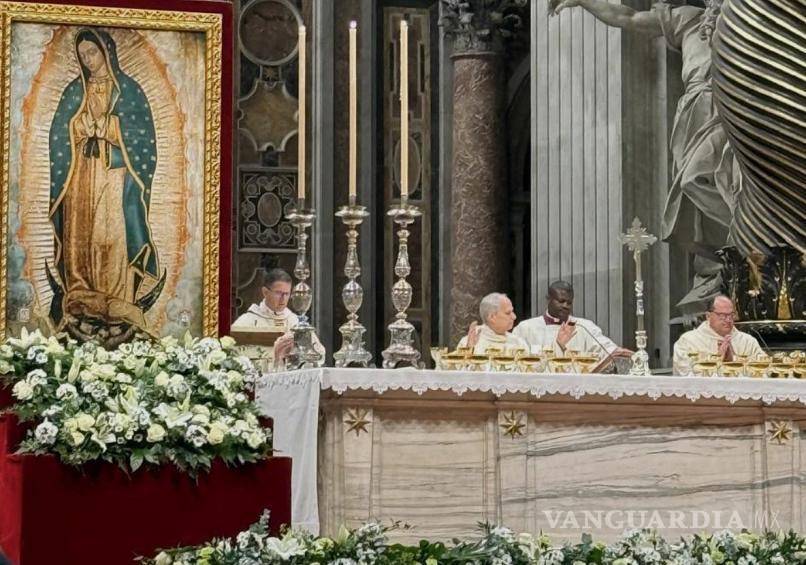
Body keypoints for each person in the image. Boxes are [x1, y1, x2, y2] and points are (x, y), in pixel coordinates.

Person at [546, 0, 737, 311]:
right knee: (695, 189)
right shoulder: (689, 21)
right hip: (692, 114)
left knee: (703, 181)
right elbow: (629, 17)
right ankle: (721, 260)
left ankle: (742, 246)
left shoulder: (746, 26)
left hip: (730, 110)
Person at [48, 28, 161, 331]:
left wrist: (110, 127)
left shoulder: (128, 90)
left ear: (106, 52)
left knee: (109, 235)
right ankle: (81, 294)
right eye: (82, 55)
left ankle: (116, 298)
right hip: (81, 173)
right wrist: (79, 126)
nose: (88, 60)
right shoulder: (75, 90)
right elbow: (59, 131)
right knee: (80, 234)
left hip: (114, 174)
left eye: (92, 53)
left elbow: (143, 138)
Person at [514, 280, 632, 359]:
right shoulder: (526, 328)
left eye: (569, 302)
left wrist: (617, 352)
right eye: (561, 301)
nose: (565, 305)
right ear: (548, 299)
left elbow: (603, 346)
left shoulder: (584, 326)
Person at [232, 268, 323, 365]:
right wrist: (275, 355)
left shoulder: (294, 321)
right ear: (265, 292)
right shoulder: (246, 321)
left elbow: (320, 354)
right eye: (279, 293)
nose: (283, 299)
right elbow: (235, 361)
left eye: (287, 294)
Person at [672, 294, 763, 373]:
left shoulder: (747, 341)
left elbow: (763, 370)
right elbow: (684, 372)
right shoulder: (688, 341)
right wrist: (717, 360)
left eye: (731, 315)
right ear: (708, 316)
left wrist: (732, 361)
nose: (728, 320)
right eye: (722, 316)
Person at [456, 293, 529, 354]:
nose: (514, 317)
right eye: (508, 313)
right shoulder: (468, 343)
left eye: (512, 311)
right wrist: (470, 351)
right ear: (492, 317)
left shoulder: (518, 343)